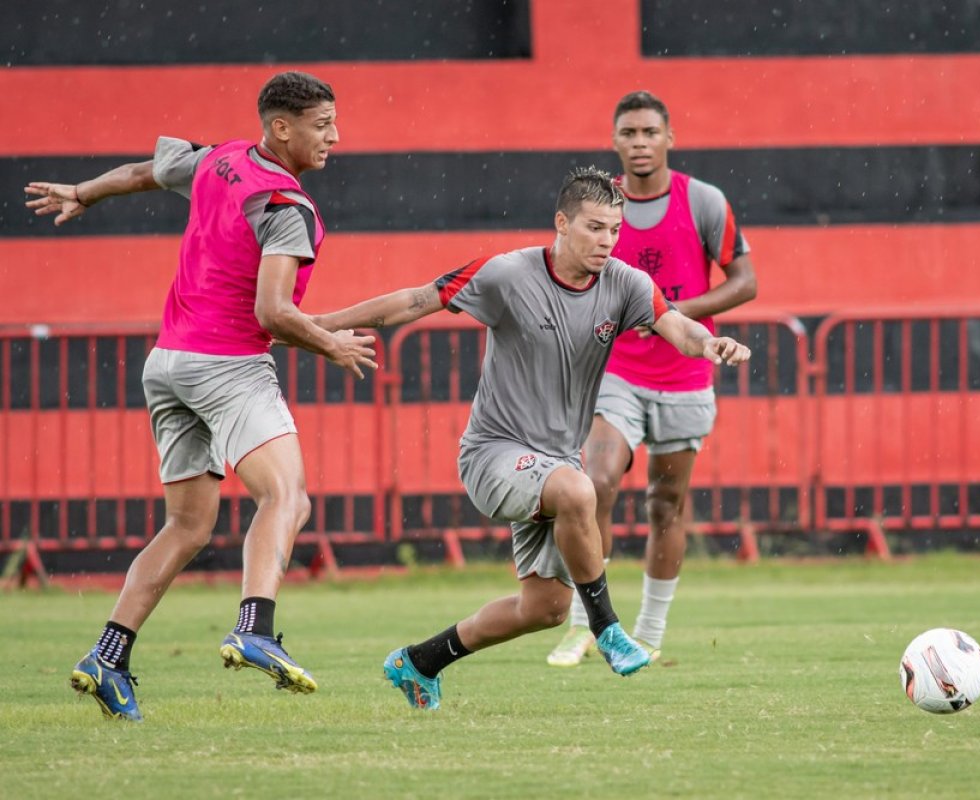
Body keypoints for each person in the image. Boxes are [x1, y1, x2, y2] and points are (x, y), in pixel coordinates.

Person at [310, 166, 751, 710]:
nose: (607, 241)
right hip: (493, 455)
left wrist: (708, 345)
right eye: (594, 227)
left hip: (554, 462)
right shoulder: (507, 274)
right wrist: (321, 325)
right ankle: (608, 628)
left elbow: (677, 326)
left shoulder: (625, 283)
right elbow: (416, 301)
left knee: (544, 609)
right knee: (580, 489)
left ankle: (420, 661)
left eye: (615, 230)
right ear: (561, 223)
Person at [24, 71, 377, 722]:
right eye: (323, 124)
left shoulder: (221, 159)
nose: (335, 136)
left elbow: (143, 173)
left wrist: (83, 192)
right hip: (227, 364)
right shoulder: (287, 207)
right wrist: (332, 345)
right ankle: (254, 627)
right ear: (282, 128)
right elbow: (272, 313)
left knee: (187, 526)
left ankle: (106, 657)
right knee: (287, 497)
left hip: (167, 363)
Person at [546, 91, 758, 668]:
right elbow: (570, 274)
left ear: (669, 138)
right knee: (596, 483)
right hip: (616, 372)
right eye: (629, 133)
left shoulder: (704, 201)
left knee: (666, 505)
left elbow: (745, 282)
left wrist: (669, 313)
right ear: (614, 140)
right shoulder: (600, 206)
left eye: (650, 132)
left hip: (686, 375)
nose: (640, 143)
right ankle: (584, 624)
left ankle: (649, 631)